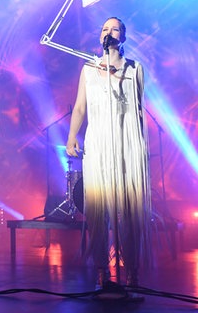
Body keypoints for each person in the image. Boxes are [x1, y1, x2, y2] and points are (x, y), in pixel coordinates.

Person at [65, 17, 152, 293]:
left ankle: (133, 271)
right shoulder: (89, 70)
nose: (108, 32)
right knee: (98, 210)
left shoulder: (135, 69)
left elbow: (140, 109)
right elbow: (80, 107)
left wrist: (140, 146)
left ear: (123, 36)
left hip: (127, 143)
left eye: (114, 28)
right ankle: (102, 270)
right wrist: (71, 137)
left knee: (129, 210)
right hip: (99, 142)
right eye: (104, 28)